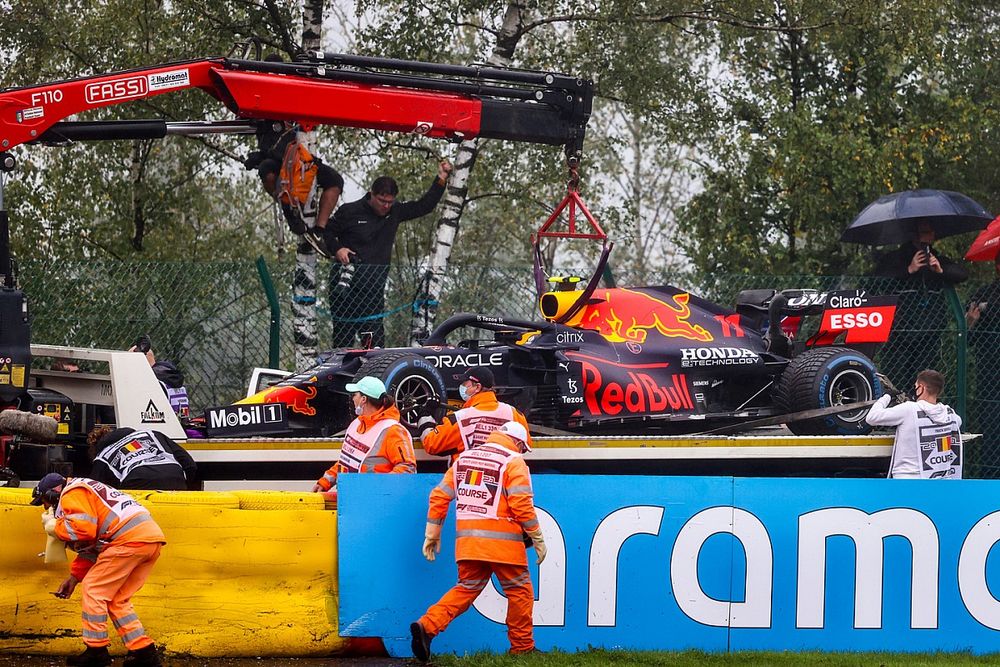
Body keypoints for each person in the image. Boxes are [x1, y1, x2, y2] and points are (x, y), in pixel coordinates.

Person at [410, 421, 545, 661]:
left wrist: (433, 533)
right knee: (520, 592)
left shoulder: (463, 459)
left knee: (466, 588)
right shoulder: (514, 462)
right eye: (523, 448)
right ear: (516, 442)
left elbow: (440, 495)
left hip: (469, 544)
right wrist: (537, 535)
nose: (522, 452)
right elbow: (521, 504)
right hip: (504, 546)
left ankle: (427, 627)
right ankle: (522, 647)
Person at [31, 472, 166, 667]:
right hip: (148, 539)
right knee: (118, 599)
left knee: (94, 590)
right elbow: (93, 546)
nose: (46, 508)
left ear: (53, 495)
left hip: (127, 539)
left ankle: (96, 652)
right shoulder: (87, 490)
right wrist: (74, 577)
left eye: (46, 502)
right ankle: (145, 654)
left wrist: (55, 527)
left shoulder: (72, 492)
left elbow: (83, 530)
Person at [326, 159, 453, 348]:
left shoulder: (395, 212)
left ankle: (373, 377)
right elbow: (327, 232)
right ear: (371, 194)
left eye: (390, 202)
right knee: (343, 345)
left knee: (375, 347)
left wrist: (441, 178)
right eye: (382, 201)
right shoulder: (349, 211)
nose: (386, 206)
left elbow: (424, 206)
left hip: (373, 292)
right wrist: (338, 249)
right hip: (345, 289)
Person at [244, 57, 345, 259]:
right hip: (277, 162)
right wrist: (257, 156)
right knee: (267, 169)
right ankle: (288, 207)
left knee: (334, 180)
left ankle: (319, 229)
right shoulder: (258, 100)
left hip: (302, 161)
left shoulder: (294, 96)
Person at [870, 221, 968, 389]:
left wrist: (940, 271)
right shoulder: (896, 258)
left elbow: (962, 274)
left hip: (929, 331)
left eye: (931, 232)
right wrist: (909, 269)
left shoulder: (936, 258)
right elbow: (877, 281)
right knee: (897, 378)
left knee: (925, 380)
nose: (931, 236)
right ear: (914, 235)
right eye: (926, 232)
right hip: (899, 332)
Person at [311, 376, 416, 492]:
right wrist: (325, 482)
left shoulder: (393, 430)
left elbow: (407, 469)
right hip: (352, 500)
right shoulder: (356, 424)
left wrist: (378, 491)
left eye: (355, 395)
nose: (352, 399)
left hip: (376, 503)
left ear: (363, 399)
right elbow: (346, 462)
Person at [417, 366, 531, 464]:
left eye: (465, 384)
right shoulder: (516, 415)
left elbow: (431, 443)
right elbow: (526, 445)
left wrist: (425, 414)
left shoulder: (460, 419)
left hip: (467, 483)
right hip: (503, 481)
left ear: (477, 387)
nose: (461, 388)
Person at [865, 369, 963, 479]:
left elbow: (871, 417)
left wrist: (886, 397)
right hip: (937, 477)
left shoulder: (909, 409)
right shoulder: (949, 414)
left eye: (916, 386)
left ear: (921, 388)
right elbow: (958, 422)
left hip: (907, 478)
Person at [87, 425, 197, 491]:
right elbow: (190, 465)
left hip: (137, 483)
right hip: (175, 476)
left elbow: (95, 493)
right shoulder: (151, 433)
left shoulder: (102, 457)